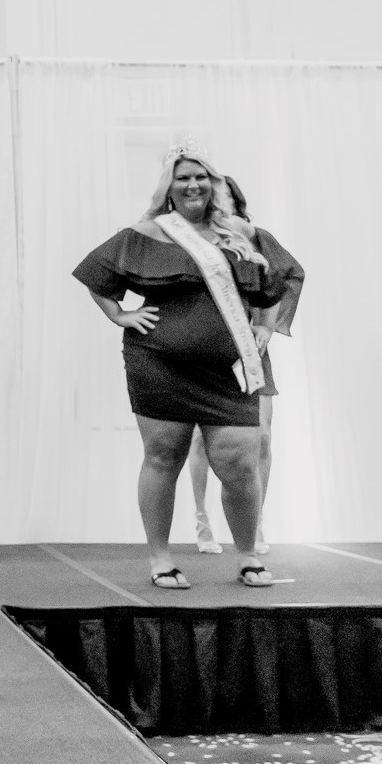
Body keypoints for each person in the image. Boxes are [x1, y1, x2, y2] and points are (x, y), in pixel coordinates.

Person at [73, 149, 303, 590]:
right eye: (183, 178)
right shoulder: (146, 233)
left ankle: (248, 555)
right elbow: (96, 274)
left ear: (213, 183)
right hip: (159, 363)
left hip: (229, 370)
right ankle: (161, 559)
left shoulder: (241, 233)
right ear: (169, 187)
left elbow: (277, 283)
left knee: (240, 462)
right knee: (163, 456)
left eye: (200, 176)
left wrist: (264, 327)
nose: (192, 185)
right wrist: (119, 314)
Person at [183, 175, 288, 556]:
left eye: (223, 193)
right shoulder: (187, 235)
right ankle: (202, 520)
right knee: (201, 437)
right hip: (206, 346)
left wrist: (266, 326)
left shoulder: (252, 235)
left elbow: (285, 277)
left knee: (262, 436)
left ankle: (255, 522)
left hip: (249, 349)